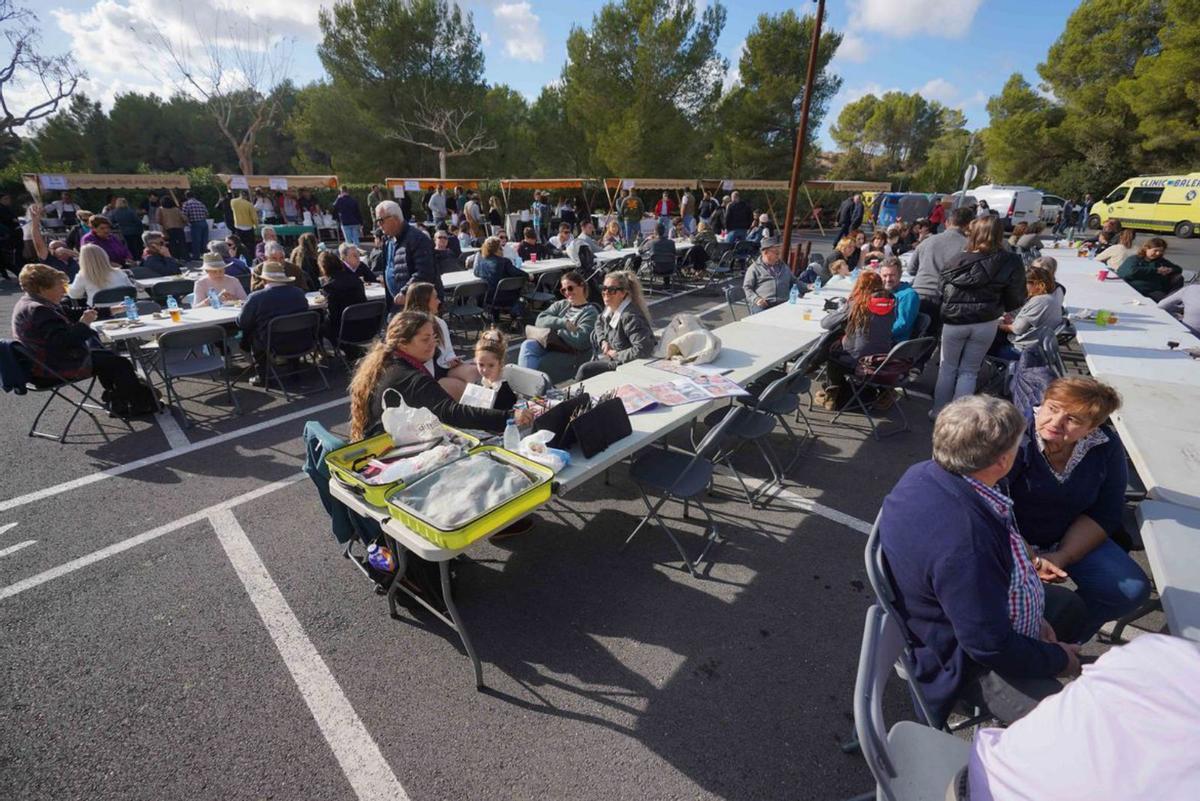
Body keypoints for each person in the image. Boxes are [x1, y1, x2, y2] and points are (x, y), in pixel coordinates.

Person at [880, 395, 1084, 728]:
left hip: (966, 615)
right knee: (1063, 724)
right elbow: (987, 646)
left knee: (1071, 608)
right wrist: (1058, 659)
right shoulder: (968, 542)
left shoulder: (924, 473)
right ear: (1003, 461)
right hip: (961, 660)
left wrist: (1036, 616)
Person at [957, 633, 1200, 801]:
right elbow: (986, 641)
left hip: (982, 777)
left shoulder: (1155, 649)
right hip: (969, 667)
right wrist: (1058, 657)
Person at [1005, 377, 1152, 641]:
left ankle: (1061, 640)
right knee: (1018, 591)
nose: (1055, 422)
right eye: (1052, 408)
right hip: (1009, 539)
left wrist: (1063, 555)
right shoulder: (1013, 435)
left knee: (1129, 590)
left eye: (1072, 419)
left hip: (1067, 536)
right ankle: (1022, 639)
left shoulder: (1104, 446)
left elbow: (1104, 512)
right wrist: (1029, 557)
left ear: (1092, 427)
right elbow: (988, 506)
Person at [347, 311, 533, 439]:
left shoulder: (388, 362)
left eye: (434, 338)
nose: (433, 344)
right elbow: (451, 412)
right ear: (403, 344)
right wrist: (508, 417)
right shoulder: (410, 377)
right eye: (425, 339)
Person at [11, 262, 150, 414]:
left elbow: (70, 312)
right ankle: (138, 403)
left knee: (105, 356)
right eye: (60, 286)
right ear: (43, 288)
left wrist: (110, 310)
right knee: (119, 363)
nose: (64, 291)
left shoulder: (33, 302)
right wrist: (84, 324)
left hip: (45, 362)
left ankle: (120, 401)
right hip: (52, 369)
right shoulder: (39, 310)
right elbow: (64, 342)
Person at [934, 217, 1026, 413]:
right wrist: (1003, 307)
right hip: (986, 321)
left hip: (954, 321)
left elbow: (940, 291)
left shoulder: (956, 260)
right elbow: (1016, 295)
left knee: (947, 368)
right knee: (969, 371)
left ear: (973, 233)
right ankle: (958, 417)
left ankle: (938, 412)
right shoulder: (1010, 261)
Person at [813, 273, 896, 410]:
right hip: (882, 360)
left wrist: (843, 310)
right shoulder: (891, 304)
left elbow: (826, 324)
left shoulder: (857, 304)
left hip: (857, 361)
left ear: (860, 286)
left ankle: (831, 394)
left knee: (832, 351)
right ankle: (885, 392)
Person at [237, 262, 310, 384]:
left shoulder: (256, 297)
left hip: (272, 343)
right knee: (293, 328)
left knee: (253, 335)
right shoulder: (298, 293)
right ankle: (295, 370)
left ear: (264, 280)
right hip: (302, 339)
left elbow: (243, 323)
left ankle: (263, 375)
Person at [575, 270, 655, 380]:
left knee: (585, 370)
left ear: (623, 293)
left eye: (611, 290)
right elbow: (599, 323)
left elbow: (643, 349)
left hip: (627, 365)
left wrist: (616, 355)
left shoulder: (630, 316)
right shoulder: (610, 308)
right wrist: (603, 341)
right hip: (614, 359)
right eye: (604, 288)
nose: (605, 293)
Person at [402, 282, 477, 399]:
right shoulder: (408, 327)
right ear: (424, 301)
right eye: (435, 298)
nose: (439, 301)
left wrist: (451, 360)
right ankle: (470, 411)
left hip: (443, 367)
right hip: (425, 376)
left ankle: (480, 407)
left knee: (474, 371)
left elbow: (448, 351)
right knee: (462, 390)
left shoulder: (439, 322)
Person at [518, 270, 599, 371]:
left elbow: (580, 341)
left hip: (572, 352)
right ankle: (527, 382)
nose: (567, 293)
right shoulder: (561, 304)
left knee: (538, 364)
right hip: (553, 344)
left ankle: (527, 383)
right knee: (528, 345)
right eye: (563, 290)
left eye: (570, 288)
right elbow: (540, 320)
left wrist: (555, 330)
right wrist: (563, 323)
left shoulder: (590, 312)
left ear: (582, 286)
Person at [908, 206, 974, 330]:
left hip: (918, 293)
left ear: (947, 222)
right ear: (969, 225)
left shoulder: (928, 241)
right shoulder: (968, 246)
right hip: (944, 298)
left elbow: (911, 269)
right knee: (931, 339)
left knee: (912, 336)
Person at [991, 265, 1062, 361]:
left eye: (1024, 284)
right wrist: (1012, 321)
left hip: (1023, 352)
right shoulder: (1050, 298)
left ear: (1038, 284)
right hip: (1037, 348)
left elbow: (1018, 329)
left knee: (982, 344)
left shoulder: (1040, 301)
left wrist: (998, 325)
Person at [374, 199, 438, 306]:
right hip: (396, 304)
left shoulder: (417, 239)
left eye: (381, 220)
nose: (379, 225)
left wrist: (405, 293)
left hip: (418, 305)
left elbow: (424, 272)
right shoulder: (387, 240)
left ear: (395, 218)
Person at [315, 250, 367, 351]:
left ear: (323, 268)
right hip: (366, 326)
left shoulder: (330, 287)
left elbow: (333, 316)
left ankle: (345, 351)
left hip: (345, 330)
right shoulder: (356, 280)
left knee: (319, 327)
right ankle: (351, 350)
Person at [473, 235, 527, 322]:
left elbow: (476, 273)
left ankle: (495, 315)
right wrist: (528, 275)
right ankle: (516, 316)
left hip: (489, 298)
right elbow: (520, 274)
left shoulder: (481, 262)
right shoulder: (505, 262)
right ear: (498, 249)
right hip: (509, 298)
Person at [742, 235, 799, 312]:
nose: (779, 254)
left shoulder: (783, 266)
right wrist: (756, 299)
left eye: (779, 252)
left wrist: (808, 287)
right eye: (776, 252)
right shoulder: (754, 268)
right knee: (761, 317)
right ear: (765, 253)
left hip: (784, 303)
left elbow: (794, 281)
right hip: (764, 304)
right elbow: (747, 287)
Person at [1117, 237, 1182, 300]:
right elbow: (1130, 271)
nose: (1158, 253)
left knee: (1166, 303)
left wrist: (1169, 270)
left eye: (1161, 251)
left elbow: (1178, 269)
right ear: (1146, 248)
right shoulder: (1134, 259)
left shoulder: (1161, 261)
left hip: (1153, 291)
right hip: (1133, 289)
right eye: (1155, 250)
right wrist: (1156, 271)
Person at [67, 243, 134, 305]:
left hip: (100, 313)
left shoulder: (83, 276)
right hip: (125, 309)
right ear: (104, 256)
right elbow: (132, 290)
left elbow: (74, 295)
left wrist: (66, 286)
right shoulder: (119, 272)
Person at [28, 203, 80, 281]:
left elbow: (87, 259)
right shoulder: (49, 259)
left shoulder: (74, 260)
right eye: (55, 247)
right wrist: (35, 222)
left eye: (62, 246)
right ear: (51, 250)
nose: (60, 248)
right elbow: (38, 242)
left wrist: (72, 253)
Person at [878, 257, 919, 341]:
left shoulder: (908, 295)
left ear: (900, 274)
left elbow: (902, 324)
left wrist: (879, 334)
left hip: (893, 342)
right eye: (885, 276)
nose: (888, 279)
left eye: (892, 275)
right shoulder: (880, 291)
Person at [640, 221, 678, 287]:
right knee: (666, 260)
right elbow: (674, 253)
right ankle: (667, 283)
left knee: (661, 260)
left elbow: (640, 250)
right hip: (670, 269)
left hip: (656, 269)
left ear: (655, 232)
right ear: (664, 231)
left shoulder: (651, 242)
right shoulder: (671, 242)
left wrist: (646, 239)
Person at [179, 192, 209, 261]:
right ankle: (205, 255)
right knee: (204, 240)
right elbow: (207, 214)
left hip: (195, 223)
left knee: (196, 241)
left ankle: (196, 256)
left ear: (186, 197)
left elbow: (183, 216)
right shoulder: (200, 203)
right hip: (204, 223)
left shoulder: (186, 204)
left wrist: (187, 222)